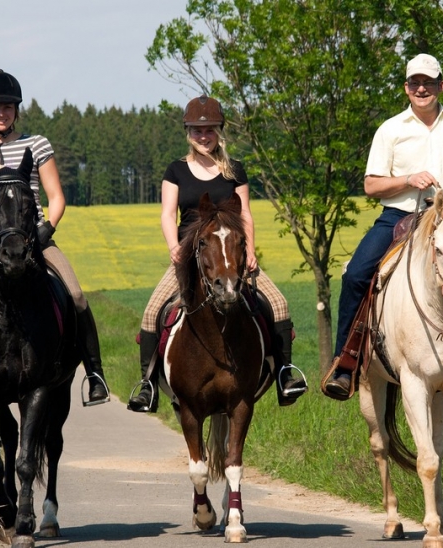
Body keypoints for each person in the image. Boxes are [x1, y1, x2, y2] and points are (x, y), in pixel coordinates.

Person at [322, 53, 443, 402]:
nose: (421, 88)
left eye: (428, 82)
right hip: (400, 216)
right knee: (355, 275)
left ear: (441, 86)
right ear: (406, 88)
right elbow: (371, 185)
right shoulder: (390, 129)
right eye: (415, 82)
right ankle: (346, 362)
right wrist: (407, 179)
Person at [0, 69, 109, 414]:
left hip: (35, 241)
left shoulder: (37, 145)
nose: (2, 113)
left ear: (17, 110)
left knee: (75, 294)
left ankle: (95, 374)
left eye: (8, 107)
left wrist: (47, 230)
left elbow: (56, 197)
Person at [127, 94, 308, 413]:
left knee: (279, 304)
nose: (204, 136)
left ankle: (284, 374)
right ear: (188, 133)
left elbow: (245, 213)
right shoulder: (176, 171)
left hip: (232, 257)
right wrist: (174, 248)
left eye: (209, 129)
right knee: (152, 312)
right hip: (191, 259)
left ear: (219, 131)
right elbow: (168, 214)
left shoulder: (235, 170)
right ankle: (148, 385)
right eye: (197, 130)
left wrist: (250, 251)